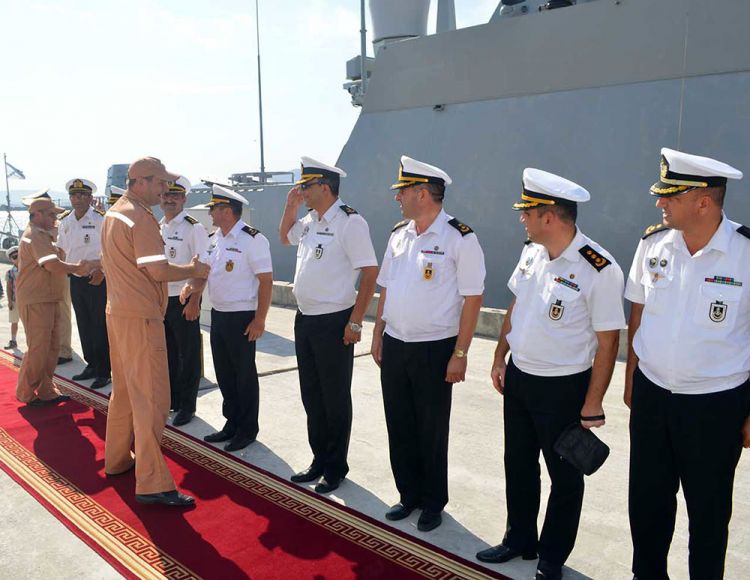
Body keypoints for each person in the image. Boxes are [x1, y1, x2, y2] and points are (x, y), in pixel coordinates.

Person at [476, 169, 625, 580]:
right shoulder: (532, 252)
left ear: (549, 217)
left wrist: (593, 402)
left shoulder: (599, 268)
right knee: (518, 463)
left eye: (527, 213)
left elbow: (608, 342)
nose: (521, 219)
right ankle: (519, 539)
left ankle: (551, 557)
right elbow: (516, 306)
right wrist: (500, 355)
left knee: (565, 476)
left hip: (563, 388)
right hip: (520, 377)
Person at [624, 148, 750, 580]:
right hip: (653, 395)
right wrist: (632, 377)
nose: (660, 202)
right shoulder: (652, 244)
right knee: (647, 504)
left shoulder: (744, 252)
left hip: (715, 405)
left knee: (709, 513)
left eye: (672, 196)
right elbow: (639, 312)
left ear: (703, 202)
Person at [371, 155, 485, 532]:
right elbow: (386, 288)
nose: (397, 197)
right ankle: (409, 495)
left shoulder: (459, 238)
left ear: (422, 193)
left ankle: (433, 502)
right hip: (396, 343)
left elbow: (473, 298)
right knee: (399, 423)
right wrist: (378, 333)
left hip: (435, 347)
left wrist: (460, 353)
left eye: (402, 191)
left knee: (432, 429)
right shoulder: (399, 234)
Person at [101, 156, 210, 507]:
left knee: (124, 393)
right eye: (161, 183)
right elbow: (159, 271)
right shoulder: (140, 217)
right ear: (142, 181)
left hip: (118, 313)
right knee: (152, 399)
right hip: (140, 318)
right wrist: (193, 269)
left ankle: (117, 459)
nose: (164, 190)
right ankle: (152, 483)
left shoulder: (113, 213)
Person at [279, 157, 378, 494]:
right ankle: (319, 459)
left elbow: (370, 273)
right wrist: (290, 207)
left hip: (335, 320)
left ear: (325, 187)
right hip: (305, 319)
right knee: (312, 394)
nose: (301, 191)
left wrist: (355, 322)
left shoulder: (350, 222)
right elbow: (285, 237)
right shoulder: (309, 220)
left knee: (334, 397)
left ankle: (335, 467)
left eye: (306, 186)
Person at [183, 185, 272, 452]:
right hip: (219, 316)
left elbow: (266, 281)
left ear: (227, 211)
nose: (210, 213)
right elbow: (204, 272)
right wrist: (192, 289)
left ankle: (247, 429)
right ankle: (231, 423)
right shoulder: (214, 239)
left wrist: (259, 320)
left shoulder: (252, 239)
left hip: (242, 317)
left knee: (243, 375)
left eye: (214, 209)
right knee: (224, 373)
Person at [15, 197, 92, 406]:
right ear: (37, 214)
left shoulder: (45, 235)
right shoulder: (35, 235)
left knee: (51, 348)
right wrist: (78, 268)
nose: (55, 219)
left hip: (48, 298)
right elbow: (51, 265)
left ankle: (46, 389)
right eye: (51, 215)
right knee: (39, 348)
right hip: (36, 299)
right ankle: (26, 392)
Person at [159, 176, 209, 427]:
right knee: (168, 353)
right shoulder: (159, 226)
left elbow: (203, 266)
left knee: (188, 355)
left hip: (184, 298)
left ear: (184, 199)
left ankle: (188, 406)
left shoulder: (193, 228)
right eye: (166, 195)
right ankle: (174, 399)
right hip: (161, 299)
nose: (170, 200)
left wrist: (194, 300)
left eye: (175, 196)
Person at [57, 178, 111, 389]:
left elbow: (111, 250)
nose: (77, 199)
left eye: (81, 195)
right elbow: (62, 250)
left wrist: (103, 272)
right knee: (84, 324)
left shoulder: (100, 219)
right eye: (73, 195)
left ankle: (104, 370)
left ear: (90, 198)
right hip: (76, 280)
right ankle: (92, 364)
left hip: (97, 279)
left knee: (99, 325)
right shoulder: (65, 221)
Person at [21, 190, 74, 364]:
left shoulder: (54, 226)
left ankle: (63, 351)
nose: (53, 218)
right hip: (41, 286)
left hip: (56, 278)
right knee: (41, 337)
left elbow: (63, 250)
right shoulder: (36, 231)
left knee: (61, 316)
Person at [4, 246, 19, 349]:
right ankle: (13, 340)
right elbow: (9, 288)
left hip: (27, 301)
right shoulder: (10, 272)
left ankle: (32, 343)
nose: (17, 258)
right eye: (14, 257)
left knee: (30, 324)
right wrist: (9, 301)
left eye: (19, 256)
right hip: (15, 301)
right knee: (14, 321)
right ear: (11, 260)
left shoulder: (28, 269)